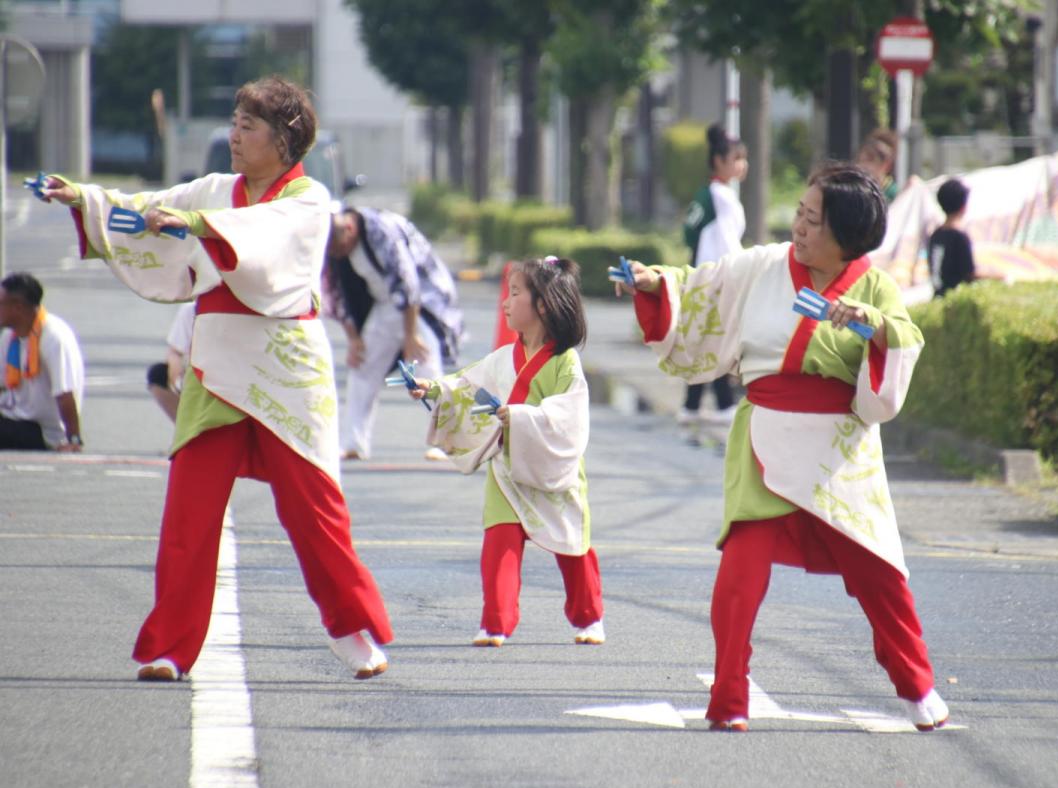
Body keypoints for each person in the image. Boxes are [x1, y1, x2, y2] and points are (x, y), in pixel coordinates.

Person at [37, 75, 393, 682]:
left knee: (314, 510)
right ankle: (170, 647)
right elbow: (152, 209)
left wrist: (199, 227)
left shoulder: (309, 200)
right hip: (216, 362)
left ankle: (351, 628)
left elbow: (263, 236)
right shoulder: (214, 190)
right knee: (188, 512)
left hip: (286, 366)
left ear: (283, 140)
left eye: (247, 126)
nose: (233, 135)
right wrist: (86, 200)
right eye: (234, 122)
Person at [616, 162, 948, 733]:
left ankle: (917, 685)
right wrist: (656, 284)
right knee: (740, 573)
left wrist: (869, 325)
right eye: (799, 212)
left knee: (880, 575)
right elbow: (703, 284)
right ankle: (728, 698)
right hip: (765, 434)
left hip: (840, 448)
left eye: (812, 219)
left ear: (845, 237)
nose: (798, 225)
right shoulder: (764, 265)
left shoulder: (876, 287)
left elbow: (903, 341)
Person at [408, 256, 605, 648]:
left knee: (571, 546)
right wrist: (433, 389)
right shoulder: (503, 358)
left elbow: (568, 415)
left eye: (515, 294)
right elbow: (465, 386)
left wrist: (517, 415)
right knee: (499, 542)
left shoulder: (565, 362)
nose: (505, 302)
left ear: (543, 305)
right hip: (507, 468)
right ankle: (495, 622)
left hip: (552, 468)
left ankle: (589, 617)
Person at [324, 206, 463, 461]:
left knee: (425, 365)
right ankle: (354, 441)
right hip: (385, 304)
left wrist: (411, 336)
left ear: (350, 229)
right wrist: (354, 339)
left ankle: (447, 439)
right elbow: (335, 293)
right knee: (362, 366)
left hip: (423, 301)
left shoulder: (381, 230)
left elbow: (407, 283)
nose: (339, 254)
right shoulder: (332, 246)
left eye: (340, 247)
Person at [678, 123, 748, 437]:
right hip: (715, 279)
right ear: (719, 161)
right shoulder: (716, 197)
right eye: (737, 158)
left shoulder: (713, 195)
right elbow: (704, 234)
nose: (742, 165)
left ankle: (697, 405)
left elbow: (690, 232)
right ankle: (719, 404)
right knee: (713, 341)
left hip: (707, 277)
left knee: (706, 341)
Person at [0, 272, 85, 452]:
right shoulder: (10, 337)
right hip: (14, 416)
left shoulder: (53, 337)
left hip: (42, 431)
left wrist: (74, 439)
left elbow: (65, 394)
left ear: (18, 307)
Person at [146, 301, 196, 422]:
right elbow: (174, 352)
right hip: (199, 378)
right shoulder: (193, 309)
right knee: (159, 374)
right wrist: (177, 378)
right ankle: (187, 431)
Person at [929, 178, 976, 297]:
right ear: (963, 206)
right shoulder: (960, 237)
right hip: (954, 301)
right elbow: (969, 273)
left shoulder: (936, 235)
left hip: (937, 296)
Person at [856, 128, 900, 203]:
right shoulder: (857, 189)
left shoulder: (895, 196)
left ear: (887, 164)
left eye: (870, 159)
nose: (862, 166)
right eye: (861, 160)